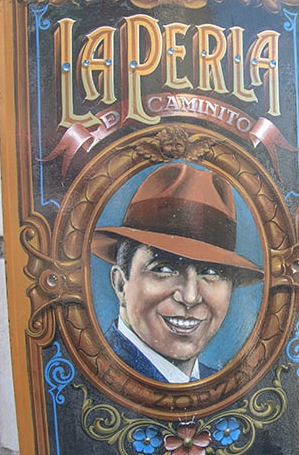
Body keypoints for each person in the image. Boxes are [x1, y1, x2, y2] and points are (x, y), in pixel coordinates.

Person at [91, 163, 264, 383]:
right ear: (120, 284)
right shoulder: (92, 382)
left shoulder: (221, 386)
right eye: (164, 269)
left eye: (210, 272)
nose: (190, 297)